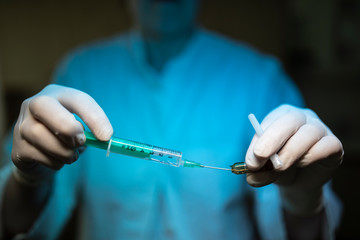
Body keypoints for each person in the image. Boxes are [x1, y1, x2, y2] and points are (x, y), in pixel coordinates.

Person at [0, 0, 343, 239]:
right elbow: (15, 225)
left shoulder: (260, 77)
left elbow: (300, 232)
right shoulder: (81, 71)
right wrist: (27, 182)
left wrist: (303, 201)